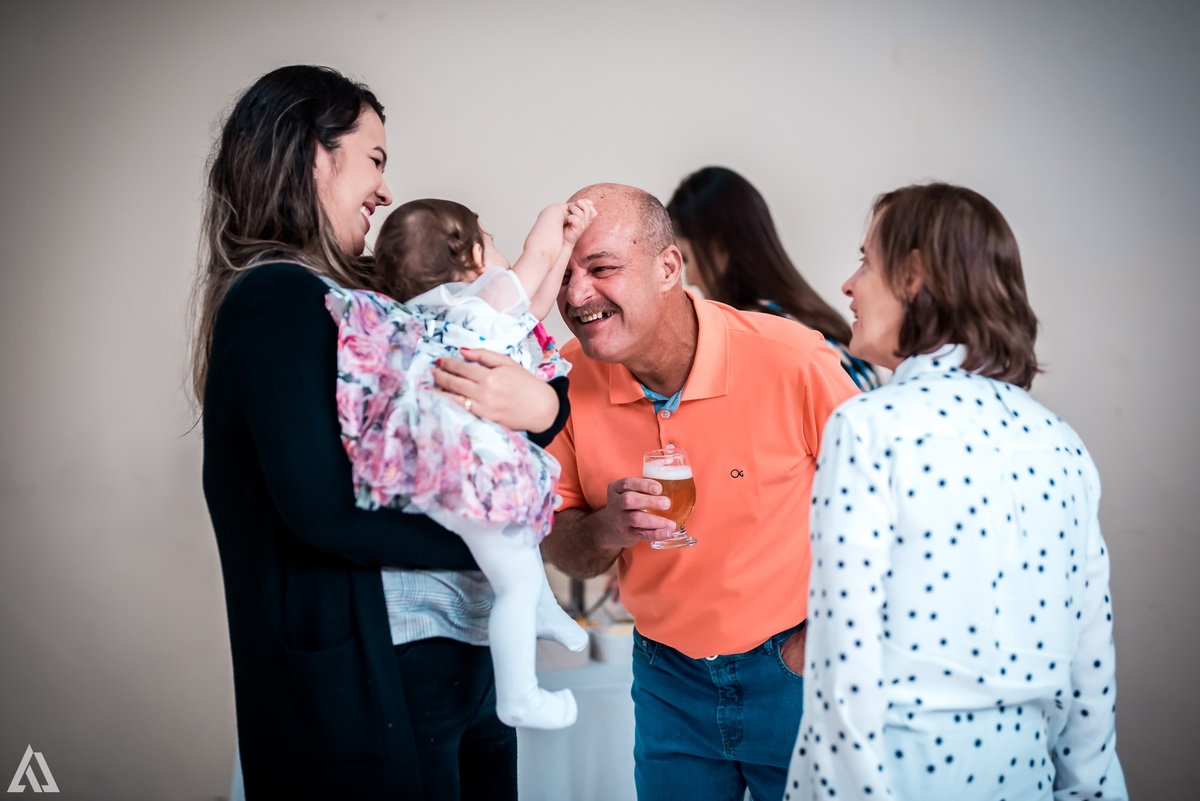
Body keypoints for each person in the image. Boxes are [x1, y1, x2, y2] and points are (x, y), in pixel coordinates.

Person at [191, 65, 570, 799]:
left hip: (460, 652)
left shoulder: (368, 297)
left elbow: (479, 423)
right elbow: (320, 508)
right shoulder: (276, 297)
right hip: (372, 676)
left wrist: (543, 410)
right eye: (374, 159)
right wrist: (499, 534)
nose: (386, 189)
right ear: (311, 155)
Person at [785, 183, 1127, 800]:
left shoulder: (870, 427)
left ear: (913, 275)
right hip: (1024, 779)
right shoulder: (1062, 446)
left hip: (897, 776)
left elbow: (843, 670)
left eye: (866, 260)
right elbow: (1091, 682)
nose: (848, 285)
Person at [540, 183, 861, 801]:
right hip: (666, 678)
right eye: (563, 274)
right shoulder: (563, 378)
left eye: (602, 268)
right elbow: (561, 546)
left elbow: (888, 517)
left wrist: (815, 640)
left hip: (794, 669)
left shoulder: (790, 359)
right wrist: (610, 526)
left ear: (668, 268)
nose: (577, 295)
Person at [324, 197, 597, 729]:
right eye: (488, 240)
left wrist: (565, 249)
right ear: (471, 254)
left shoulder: (431, 316)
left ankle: (542, 609)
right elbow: (534, 263)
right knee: (513, 582)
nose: (499, 253)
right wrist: (559, 218)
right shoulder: (478, 298)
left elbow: (531, 308)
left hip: (435, 479)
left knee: (518, 547)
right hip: (472, 475)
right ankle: (522, 696)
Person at [667, 166, 882, 391]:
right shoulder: (823, 319)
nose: (689, 280)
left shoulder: (754, 335)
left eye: (687, 259)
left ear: (720, 249)